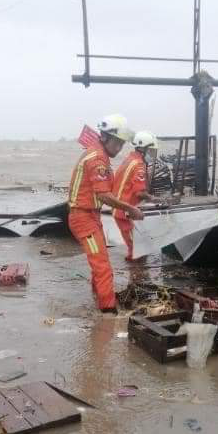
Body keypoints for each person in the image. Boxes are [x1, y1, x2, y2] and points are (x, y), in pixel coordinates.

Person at [67, 115, 144, 314]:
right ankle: (108, 312)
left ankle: (99, 296)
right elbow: (103, 195)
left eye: (122, 144)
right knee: (102, 266)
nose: (119, 149)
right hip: (83, 218)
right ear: (105, 137)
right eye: (117, 143)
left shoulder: (96, 152)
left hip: (90, 216)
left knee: (99, 260)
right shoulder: (98, 159)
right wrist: (130, 208)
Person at [113, 130, 159, 261]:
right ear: (143, 149)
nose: (152, 154)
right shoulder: (139, 165)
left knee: (135, 248)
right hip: (126, 212)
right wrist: (153, 198)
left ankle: (135, 273)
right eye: (151, 151)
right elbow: (139, 192)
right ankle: (136, 276)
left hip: (119, 209)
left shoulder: (130, 159)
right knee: (138, 250)